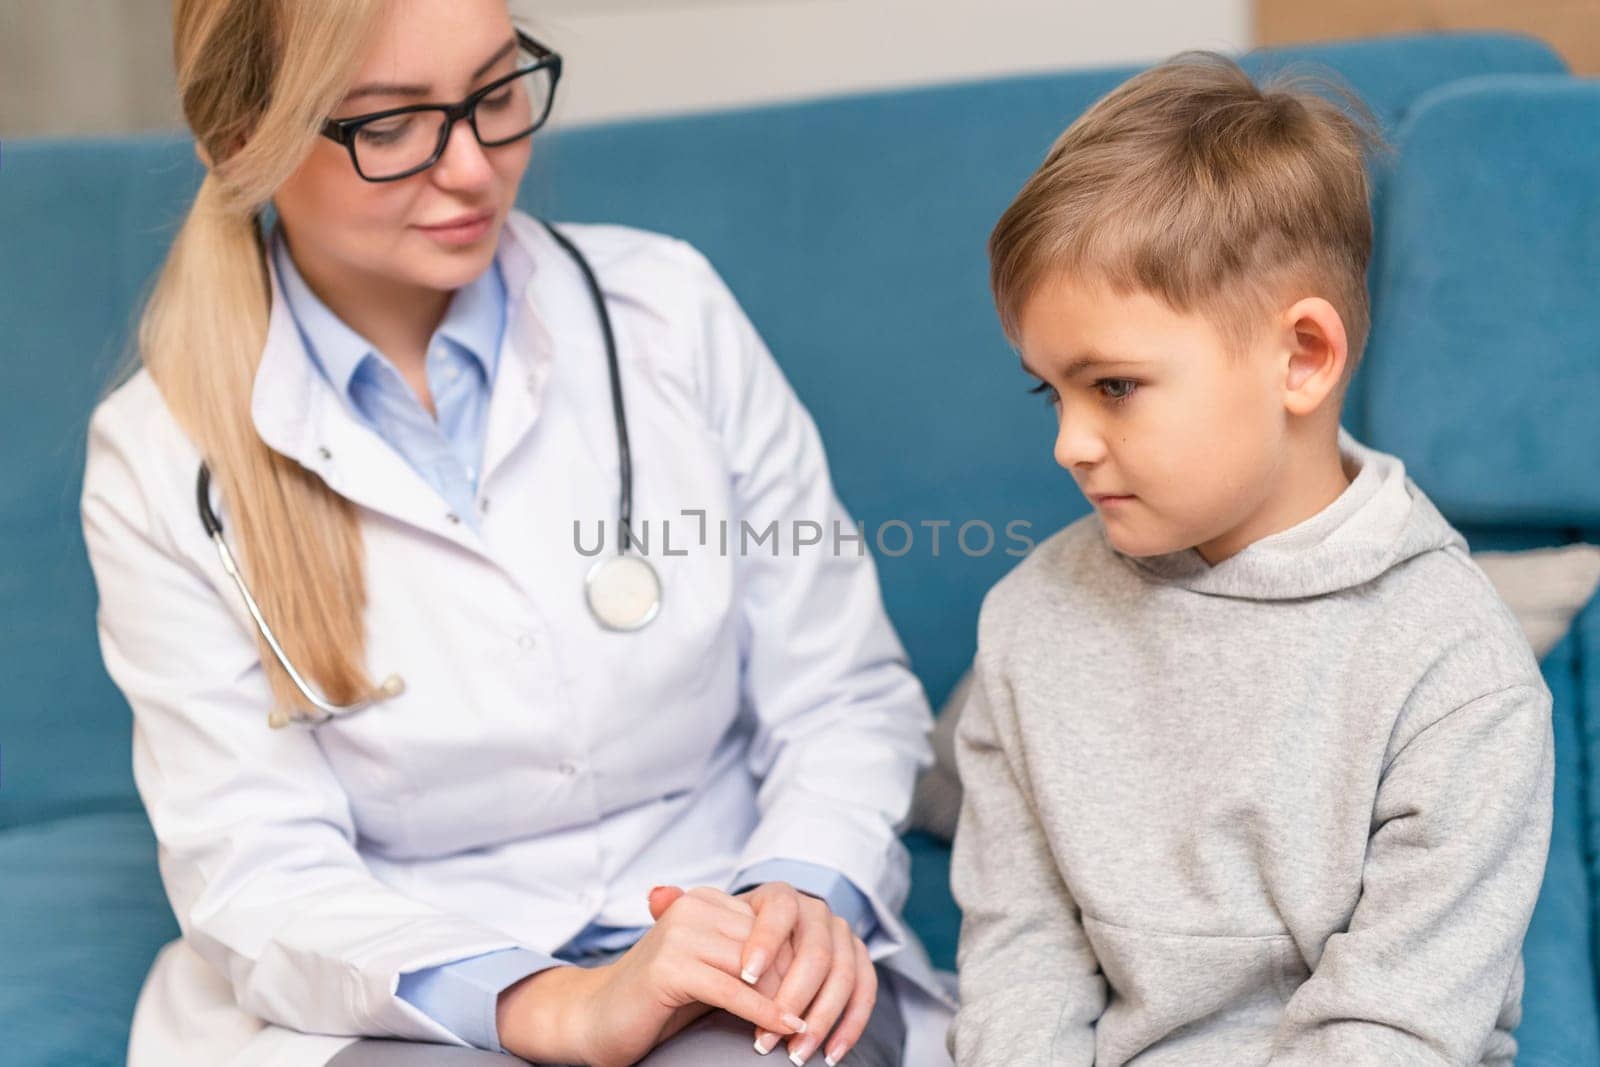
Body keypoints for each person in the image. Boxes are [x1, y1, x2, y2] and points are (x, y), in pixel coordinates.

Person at [78, 1, 956, 1064]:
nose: (472, 168)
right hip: (401, 985)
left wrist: (800, 895)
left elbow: (841, 694)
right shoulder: (154, 457)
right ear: (239, 144)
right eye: (389, 125)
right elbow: (259, 867)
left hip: (719, 914)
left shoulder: (666, 311)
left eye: (496, 94)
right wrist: (557, 1006)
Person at [948, 52, 1554, 1065]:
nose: (1069, 443)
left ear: (1302, 358)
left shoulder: (1457, 670)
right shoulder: (1029, 618)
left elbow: (1395, 1026)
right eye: (1049, 393)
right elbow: (1021, 956)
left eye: (1115, 386)